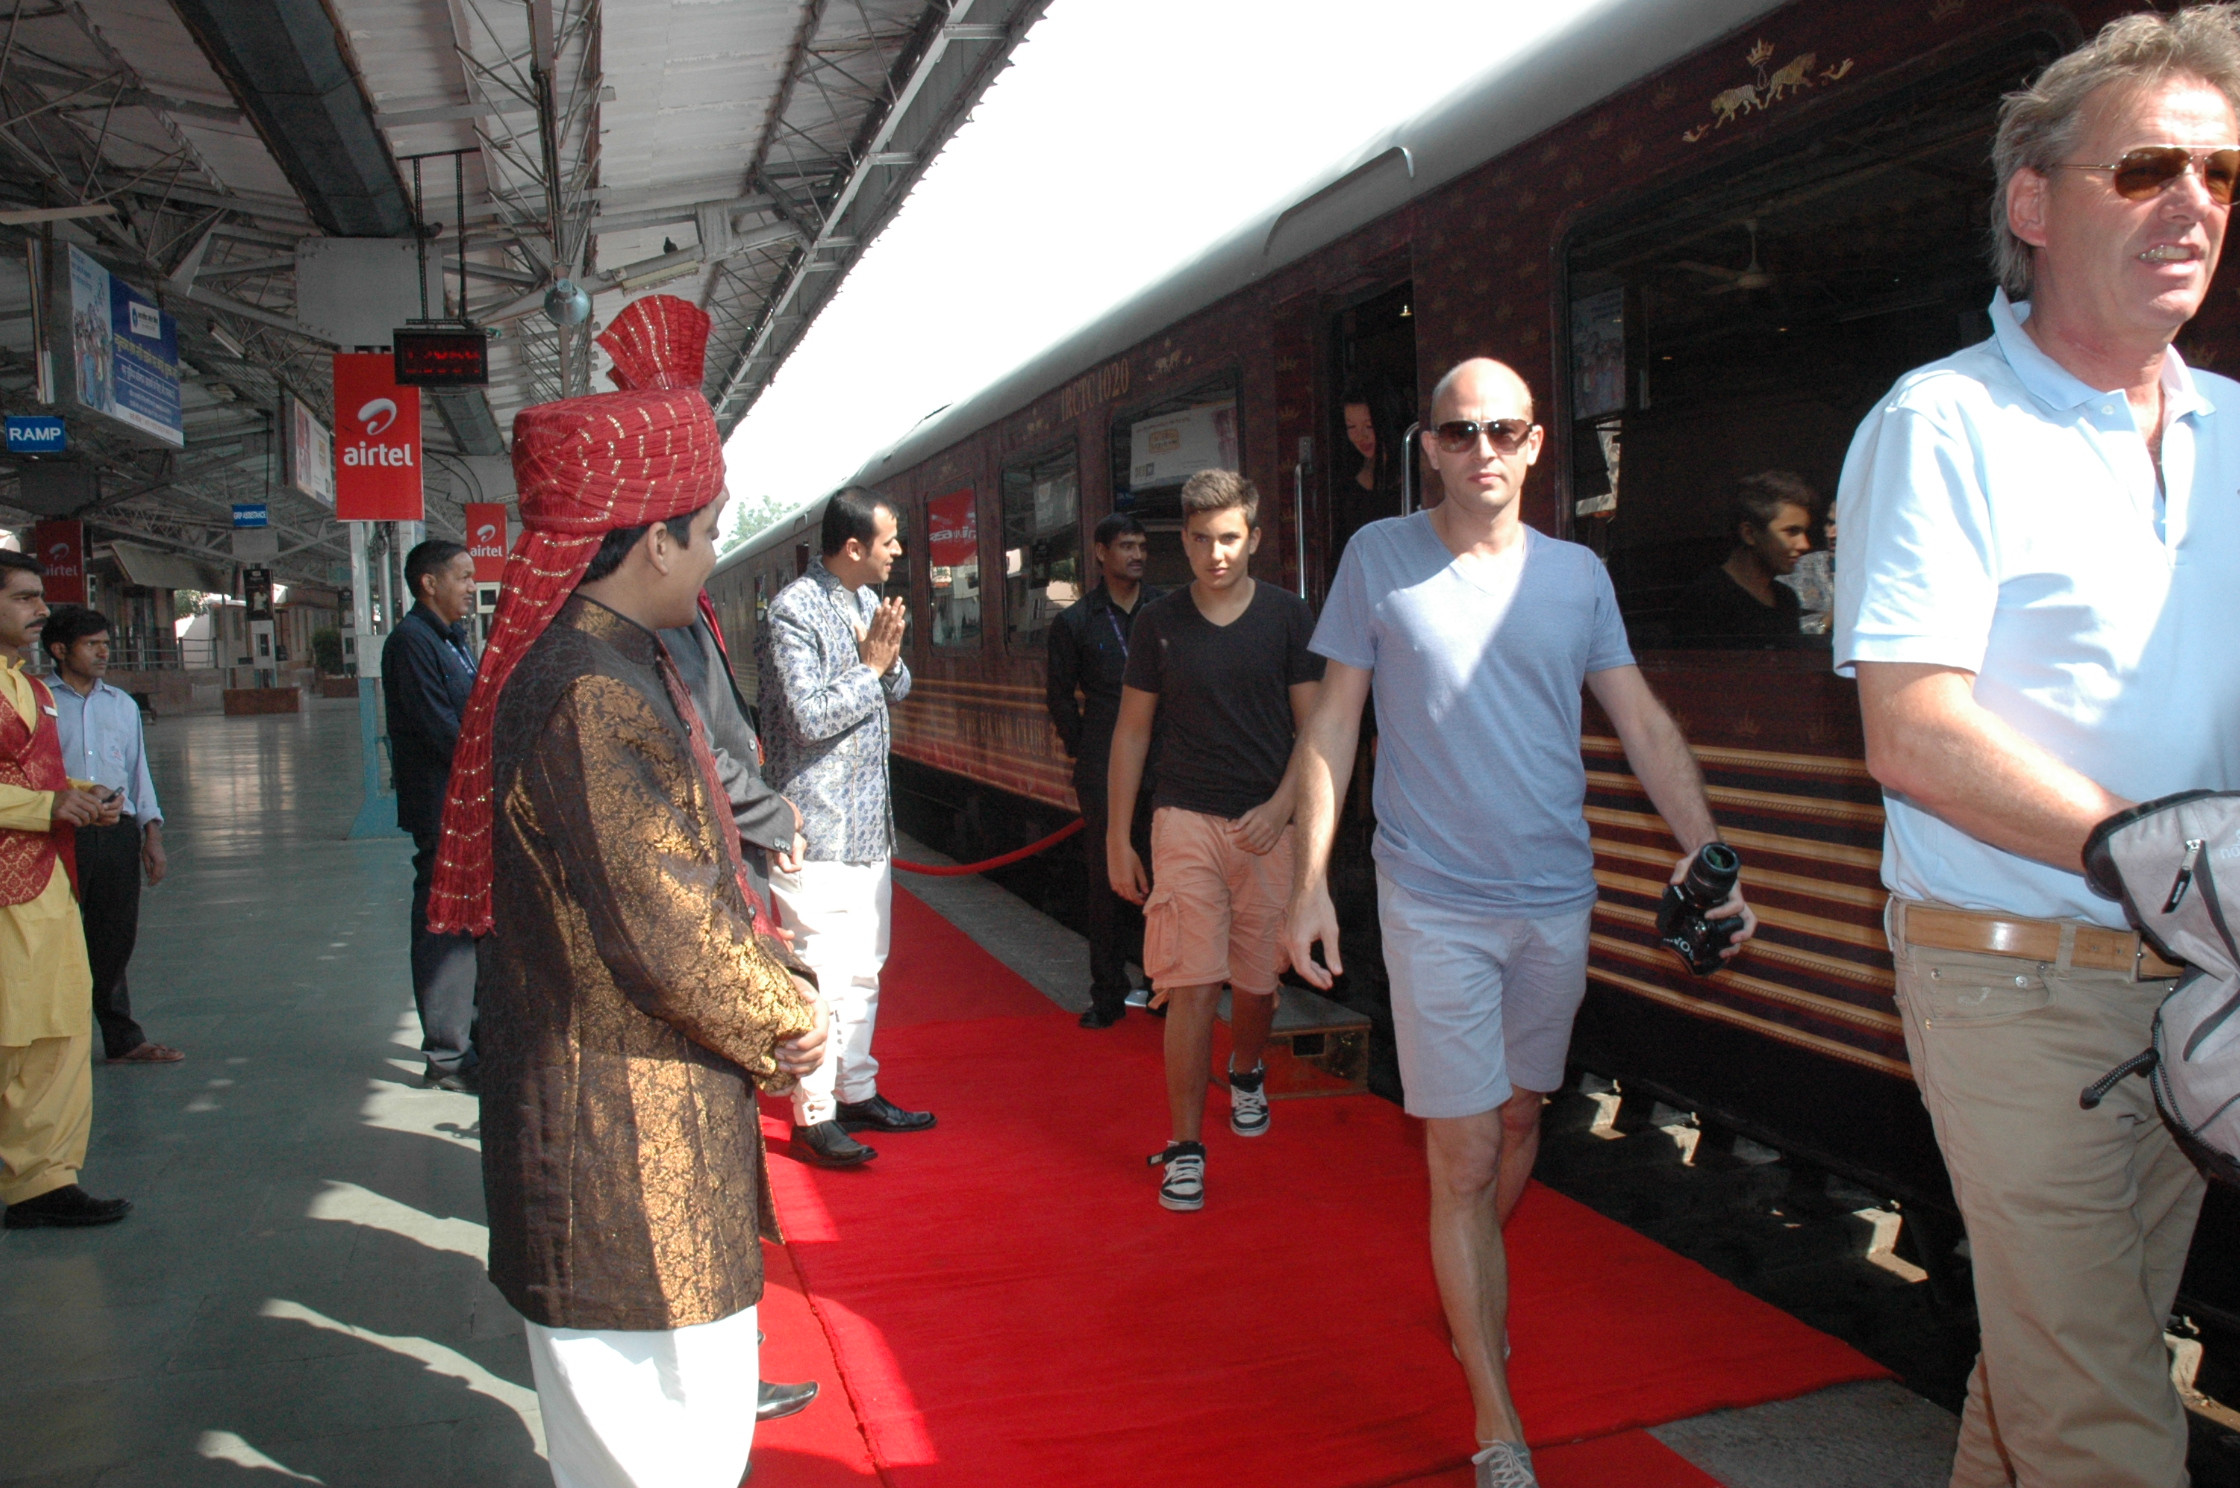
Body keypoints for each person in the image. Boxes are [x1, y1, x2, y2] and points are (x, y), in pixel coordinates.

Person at [1836, 12, 2240, 1485]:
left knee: (2065, 1359)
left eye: (2219, 171)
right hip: (2012, 978)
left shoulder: (2236, 431)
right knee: (2105, 1421)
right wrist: (2157, 853)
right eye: (2144, 168)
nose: (2191, 202)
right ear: (2032, 203)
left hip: (2199, 980)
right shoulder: (1943, 424)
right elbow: (1912, 728)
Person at [1285, 359, 1754, 1488]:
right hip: (1430, 899)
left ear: (1537, 443)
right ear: (1429, 448)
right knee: (1461, 1154)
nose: (1481, 449)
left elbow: (1641, 724)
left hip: (1554, 901)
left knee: (1519, 1115)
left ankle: (1471, 1278)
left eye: (1502, 430)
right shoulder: (1377, 558)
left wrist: (1708, 855)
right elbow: (1333, 727)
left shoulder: (1577, 576)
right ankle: (1497, 1419)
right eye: (1458, 433)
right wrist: (1307, 881)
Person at [424, 294, 827, 1488]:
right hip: (623, 1153)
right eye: (704, 534)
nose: (710, 557)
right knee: (661, 1451)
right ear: (653, 542)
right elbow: (670, 931)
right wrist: (791, 1013)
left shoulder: (591, 666)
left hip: (627, 1135)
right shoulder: (591, 696)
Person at [1106, 468, 1323, 1212]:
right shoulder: (1158, 622)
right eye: (1200, 540)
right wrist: (1118, 836)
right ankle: (1185, 1147)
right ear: (1185, 542)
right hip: (1184, 820)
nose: (1215, 553)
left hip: (1267, 826)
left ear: (1254, 538)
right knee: (1191, 982)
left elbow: (1316, 731)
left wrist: (1282, 807)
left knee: (1257, 984)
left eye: (1229, 538)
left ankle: (1248, 1068)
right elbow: (1131, 733)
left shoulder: (1289, 617)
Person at [661, 594, 823, 1426]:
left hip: (723, 865)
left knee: (718, 1155)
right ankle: (717, 1376)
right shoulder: (635, 643)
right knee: (702, 1163)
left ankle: (727, 1361)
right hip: (699, 908)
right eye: (701, 535)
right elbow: (698, 751)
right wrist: (772, 815)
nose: (712, 547)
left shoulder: (672, 617)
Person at [758, 487, 933, 1168]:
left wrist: (884, 663)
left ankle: (856, 1091)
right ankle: (815, 1114)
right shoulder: (792, 611)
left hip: (867, 827)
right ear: (854, 547)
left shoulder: (864, 602)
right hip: (817, 827)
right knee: (823, 975)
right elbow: (808, 718)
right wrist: (871, 668)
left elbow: (900, 686)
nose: (898, 551)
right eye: (890, 541)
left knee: (864, 970)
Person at [0, 550, 131, 1230]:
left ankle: (43, 1180)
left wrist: (84, 795)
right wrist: (42, 808)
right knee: (9, 1031)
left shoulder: (32, 689)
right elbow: (30, 796)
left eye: (39, 596)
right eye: (24, 597)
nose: (41, 609)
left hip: (49, 882)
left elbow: (42, 778)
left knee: (58, 1028)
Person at [42, 606, 181, 1066]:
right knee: (54, 936)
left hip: (116, 833)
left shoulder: (121, 704)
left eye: (106, 643)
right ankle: (53, 1040)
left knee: (114, 936)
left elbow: (138, 774)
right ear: (60, 650)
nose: (104, 652)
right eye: (91, 644)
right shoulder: (38, 702)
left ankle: (122, 1038)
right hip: (57, 833)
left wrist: (151, 835)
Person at [1046, 512, 1166, 1028]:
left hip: (1164, 761)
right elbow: (1059, 696)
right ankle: (1108, 994)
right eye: (1125, 546)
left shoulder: (1165, 611)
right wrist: (1085, 749)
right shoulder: (1075, 621)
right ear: (1100, 552)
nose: (1137, 555)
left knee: (1166, 876)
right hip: (1102, 766)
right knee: (1106, 881)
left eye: (1142, 546)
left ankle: (1163, 986)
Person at [382, 539, 482, 1092]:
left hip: (465, 806)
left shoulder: (451, 639)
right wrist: (491, 764)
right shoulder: (411, 643)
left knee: (468, 925)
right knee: (444, 927)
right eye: (462, 576)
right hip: (442, 808)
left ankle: (470, 1041)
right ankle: (447, 1056)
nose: (471, 587)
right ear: (429, 583)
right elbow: (439, 727)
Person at [1669, 471, 1815, 647]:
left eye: (1804, 532)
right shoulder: (1706, 601)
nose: (1804, 544)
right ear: (1749, 534)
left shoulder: (1785, 599)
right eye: (1791, 531)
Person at [1777, 508, 1836, 636]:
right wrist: (1828, 620)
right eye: (1830, 523)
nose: (1831, 535)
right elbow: (1784, 632)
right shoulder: (1797, 569)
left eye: (1845, 526)